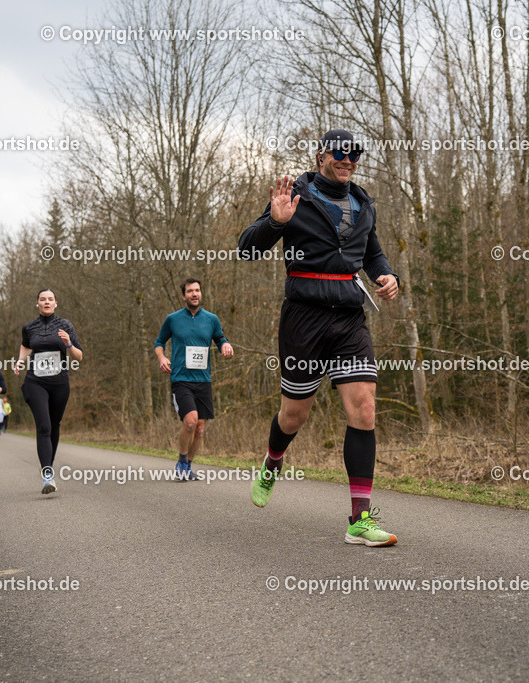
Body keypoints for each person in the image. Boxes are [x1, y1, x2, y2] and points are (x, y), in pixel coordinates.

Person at [238, 129, 401, 547]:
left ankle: (359, 519)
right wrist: (275, 222)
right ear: (321, 155)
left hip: (349, 318)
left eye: (355, 155)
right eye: (340, 154)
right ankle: (273, 462)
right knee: (294, 416)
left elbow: (373, 253)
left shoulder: (364, 203)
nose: (348, 161)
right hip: (304, 319)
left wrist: (387, 275)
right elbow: (247, 249)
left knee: (364, 409)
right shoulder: (296, 194)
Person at [154, 278, 233, 481]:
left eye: (197, 290)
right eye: (190, 291)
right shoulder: (172, 319)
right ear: (184, 296)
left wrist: (225, 345)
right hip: (181, 378)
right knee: (190, 422)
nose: (194, 294)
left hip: (203, 379)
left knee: (200, 428)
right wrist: (162, 358)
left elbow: (220, 338)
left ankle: (188, 466)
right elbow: (159, 342)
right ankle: (180, 462)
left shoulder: (211, 319)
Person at [14, 288, 83, 494]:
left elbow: (79, 356)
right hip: (36, 381)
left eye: (50, 299)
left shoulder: (65, 325)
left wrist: (68, 344)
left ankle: (48, 469)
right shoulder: (29, 327)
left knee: (54, 425)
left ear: (55, 303)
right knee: (43, 426)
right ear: (37, 303)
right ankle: (47, 475)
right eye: (42, 299)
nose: (46, 302)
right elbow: (26, 346)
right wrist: (19, 361)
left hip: (60, 382)